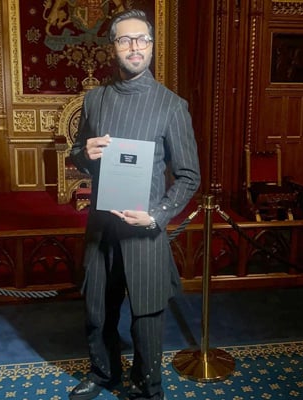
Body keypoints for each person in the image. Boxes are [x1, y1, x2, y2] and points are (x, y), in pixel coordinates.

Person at [67, 9, 201, 400]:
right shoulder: (95, 99)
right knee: (97, 310)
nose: (134, 47)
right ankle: (103, 373)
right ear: (113, 47)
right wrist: (84, 154)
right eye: (125, 40)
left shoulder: (171, 105)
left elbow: (189, 176)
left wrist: (157, 215)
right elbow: (79, 153)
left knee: (146, 317)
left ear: (152, 46)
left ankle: (147, 386)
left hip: (144, 231)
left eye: (142, 39)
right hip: (102, 228)